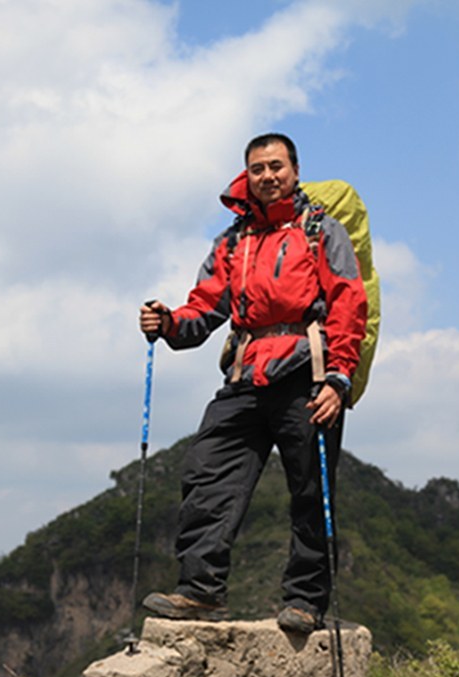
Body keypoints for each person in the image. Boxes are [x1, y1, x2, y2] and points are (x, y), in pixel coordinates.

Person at [138, 133, 368, 634]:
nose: (267, 176)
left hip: (307, 376)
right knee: (206, 474)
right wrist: (170, 322)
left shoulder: (321, 231)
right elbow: (205, 309)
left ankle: (306, 601)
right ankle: (200, 590)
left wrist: (338, 380)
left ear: (295, 170)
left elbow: (349, 304)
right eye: (258, 168)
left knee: (310, 490)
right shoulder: (232, 241)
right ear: (248, 175)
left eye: (276, 167)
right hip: (246, 373)